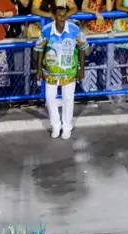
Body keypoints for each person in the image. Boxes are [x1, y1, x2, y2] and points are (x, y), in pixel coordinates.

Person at [35, 6, 88, 140]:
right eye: (59, 15)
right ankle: (56, 125)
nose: (62, 18)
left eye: (64, 15)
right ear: (54, 16)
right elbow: (40, 49)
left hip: (69, 71)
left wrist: (81, 69)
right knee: (50, 99)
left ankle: (67, 127)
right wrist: (39, 68)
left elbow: (82, 49)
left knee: (68, 100)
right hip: (50, 71)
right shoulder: (47, 30)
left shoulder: (74, 30)